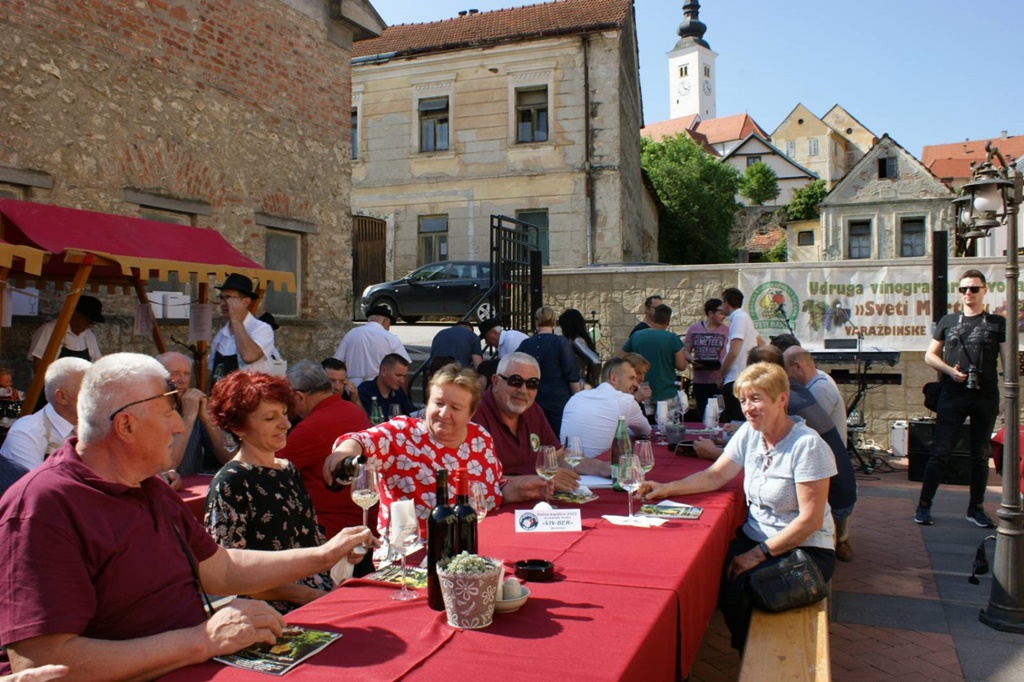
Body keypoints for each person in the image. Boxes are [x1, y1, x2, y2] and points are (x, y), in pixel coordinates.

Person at [0, 353, 372, 680]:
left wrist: (324, 554)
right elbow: (43, 664)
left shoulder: (150, 488)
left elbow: (221, 568)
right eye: (169, 414)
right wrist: (203, 640)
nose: (180, 426)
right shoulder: (42, 506)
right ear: (126, 425)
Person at [639, 362, 836, 651]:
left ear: (782, 399)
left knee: (745, 591)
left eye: (756, 399)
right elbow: (715, 476)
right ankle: (749, 655)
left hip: (804, 548)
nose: (748, 408)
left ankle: (762, 660)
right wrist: (666, 488)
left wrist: (758, 554)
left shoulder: (807, 446)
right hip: (756, 537)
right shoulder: (750, 434)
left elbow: (810, 521)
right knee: (710, 576)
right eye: (743, 400)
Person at [324, 364, 548, 541]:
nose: (444, 413)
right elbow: (360, 440)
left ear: (471, 414)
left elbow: (492, 491)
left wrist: (518, 488)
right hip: (410, 557)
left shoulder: (480, 438)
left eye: (456, 408)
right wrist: (343, 454)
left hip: (474, 546)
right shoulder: (402, 434)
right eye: (438, 403)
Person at [205, 371, 337, 613]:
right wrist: (308, 595)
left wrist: (341, 555)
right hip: (272, 613)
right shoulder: (231, 481)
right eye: (270, 418)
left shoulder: (287, 469)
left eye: (284, 413)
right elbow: (227, 575)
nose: (286, 424)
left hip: (316, 597)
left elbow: (307, 539)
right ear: (238, 427)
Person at [916, 269, 1005, 528]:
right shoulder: (948, 321)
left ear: (984, 290)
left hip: (985, 394)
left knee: (980, 454)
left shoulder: (997, 323)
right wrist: (949, 371)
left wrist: (1009, 399)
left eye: (974, 289)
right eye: (963, 289)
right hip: (953, 393)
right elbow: (930, 355)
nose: (968, 293)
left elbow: (1007, 361)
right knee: (941, 451)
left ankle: (976, 508)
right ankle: (924, 505)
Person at [282, 361, 374, 576]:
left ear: (299, 396)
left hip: (329, 536)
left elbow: (262, 469)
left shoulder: (309, 429)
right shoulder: (354, 411)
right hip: (362, 528)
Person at [471, 352, 594, 483]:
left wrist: (603, 468)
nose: (523, 390)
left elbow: (557, 457)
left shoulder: (533, 410)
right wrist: (537, 481)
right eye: (515, 381)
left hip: (537, 493)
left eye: (532, 384)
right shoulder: (474, 413)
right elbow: (475, 477)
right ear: (496, 382)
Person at [0, 357, 89, 472]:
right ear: (62, 397)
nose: (100, 396)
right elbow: (35, 482)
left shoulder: (100, 426)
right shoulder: (27, 432)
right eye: (89, 390)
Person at [156, 351, 231, 476]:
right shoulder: (149, 411)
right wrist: (188, 417)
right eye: (174, 373)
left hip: (194, 485)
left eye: (186, 374)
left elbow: (228, 457)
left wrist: (206, 418)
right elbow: (167, 466)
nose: (182, 380)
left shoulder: (193, 404)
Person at [560, 357, 652, 458]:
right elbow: (645, 431)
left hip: (567, 464)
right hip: (600, 465)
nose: (636, 384)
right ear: (613, 379)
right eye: (631, 378)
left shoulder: (576, 397)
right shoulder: (626, 400)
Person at [515, 306, 581, 435]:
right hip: (558, 402)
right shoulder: (560, 342)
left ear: (536, 322)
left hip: (533, 401)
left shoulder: (526, 344)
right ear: (554, 323)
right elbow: (571, 375)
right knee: (559, 439)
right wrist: (579, 400)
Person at [208, 273, 280, 383]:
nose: (222, 303)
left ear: (245, 302)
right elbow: (211, 372)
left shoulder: (262, 329)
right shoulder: (221, 335)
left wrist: (236, 321)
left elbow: (249, 356)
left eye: (229, 298)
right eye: (221, 298)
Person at [619, 303, 686, 402]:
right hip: (666, 393)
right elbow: (682, 366)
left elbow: (620, 358)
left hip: (641, 391)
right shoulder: (672, 338)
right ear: (668, 321)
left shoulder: (637, 335)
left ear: (653, 318)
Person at [783, 346, 847, 446]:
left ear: (798, 366)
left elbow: (810, 428)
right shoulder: (816, 385)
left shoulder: (820, 389)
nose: (786, 376)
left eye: (786, 371)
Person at [333, 305, 410, 386]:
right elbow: (403, 365)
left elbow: (337, 361)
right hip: (378, 386)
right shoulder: (391, 339)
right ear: (385, 321)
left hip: (352, 385)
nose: (389, 328)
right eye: (389, 324)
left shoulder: (351, 334)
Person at [719, 287, 763, 422]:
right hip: (745, 377)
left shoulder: (738, 318)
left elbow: (733, 352)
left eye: (722, 303)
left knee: (734, 422)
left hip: (735, 378)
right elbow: (762, 343)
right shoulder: (745, 318)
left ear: (726, 303)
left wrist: (721, 374)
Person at [28, 295, 104, 373]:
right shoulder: (50, 330)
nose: (88, 326)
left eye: (92, 323)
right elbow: (39, 364)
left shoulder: (89, 335)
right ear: (75, 314)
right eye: (87, 321)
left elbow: (97, 364)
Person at [683, 298, 730, 420]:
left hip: (718, 381)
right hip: (700, 381)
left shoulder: (727, 330)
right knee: (703, 415)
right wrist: (692, 360)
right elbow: (685, 351)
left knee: (719, 416)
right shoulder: (694, 328)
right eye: (721, 313)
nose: (724, 316)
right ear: (711, 313)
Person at [557, 308, 601, 387]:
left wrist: (595, 383)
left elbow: (596, 361)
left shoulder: (577, 341)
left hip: (578, 383)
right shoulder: (572, 341)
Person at [622, 352, 653, 417]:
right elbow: (620, 418)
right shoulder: (616, 392)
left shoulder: (636, 389)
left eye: (644, 373)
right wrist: (635, 399)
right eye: (638, 373)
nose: (642, 379)